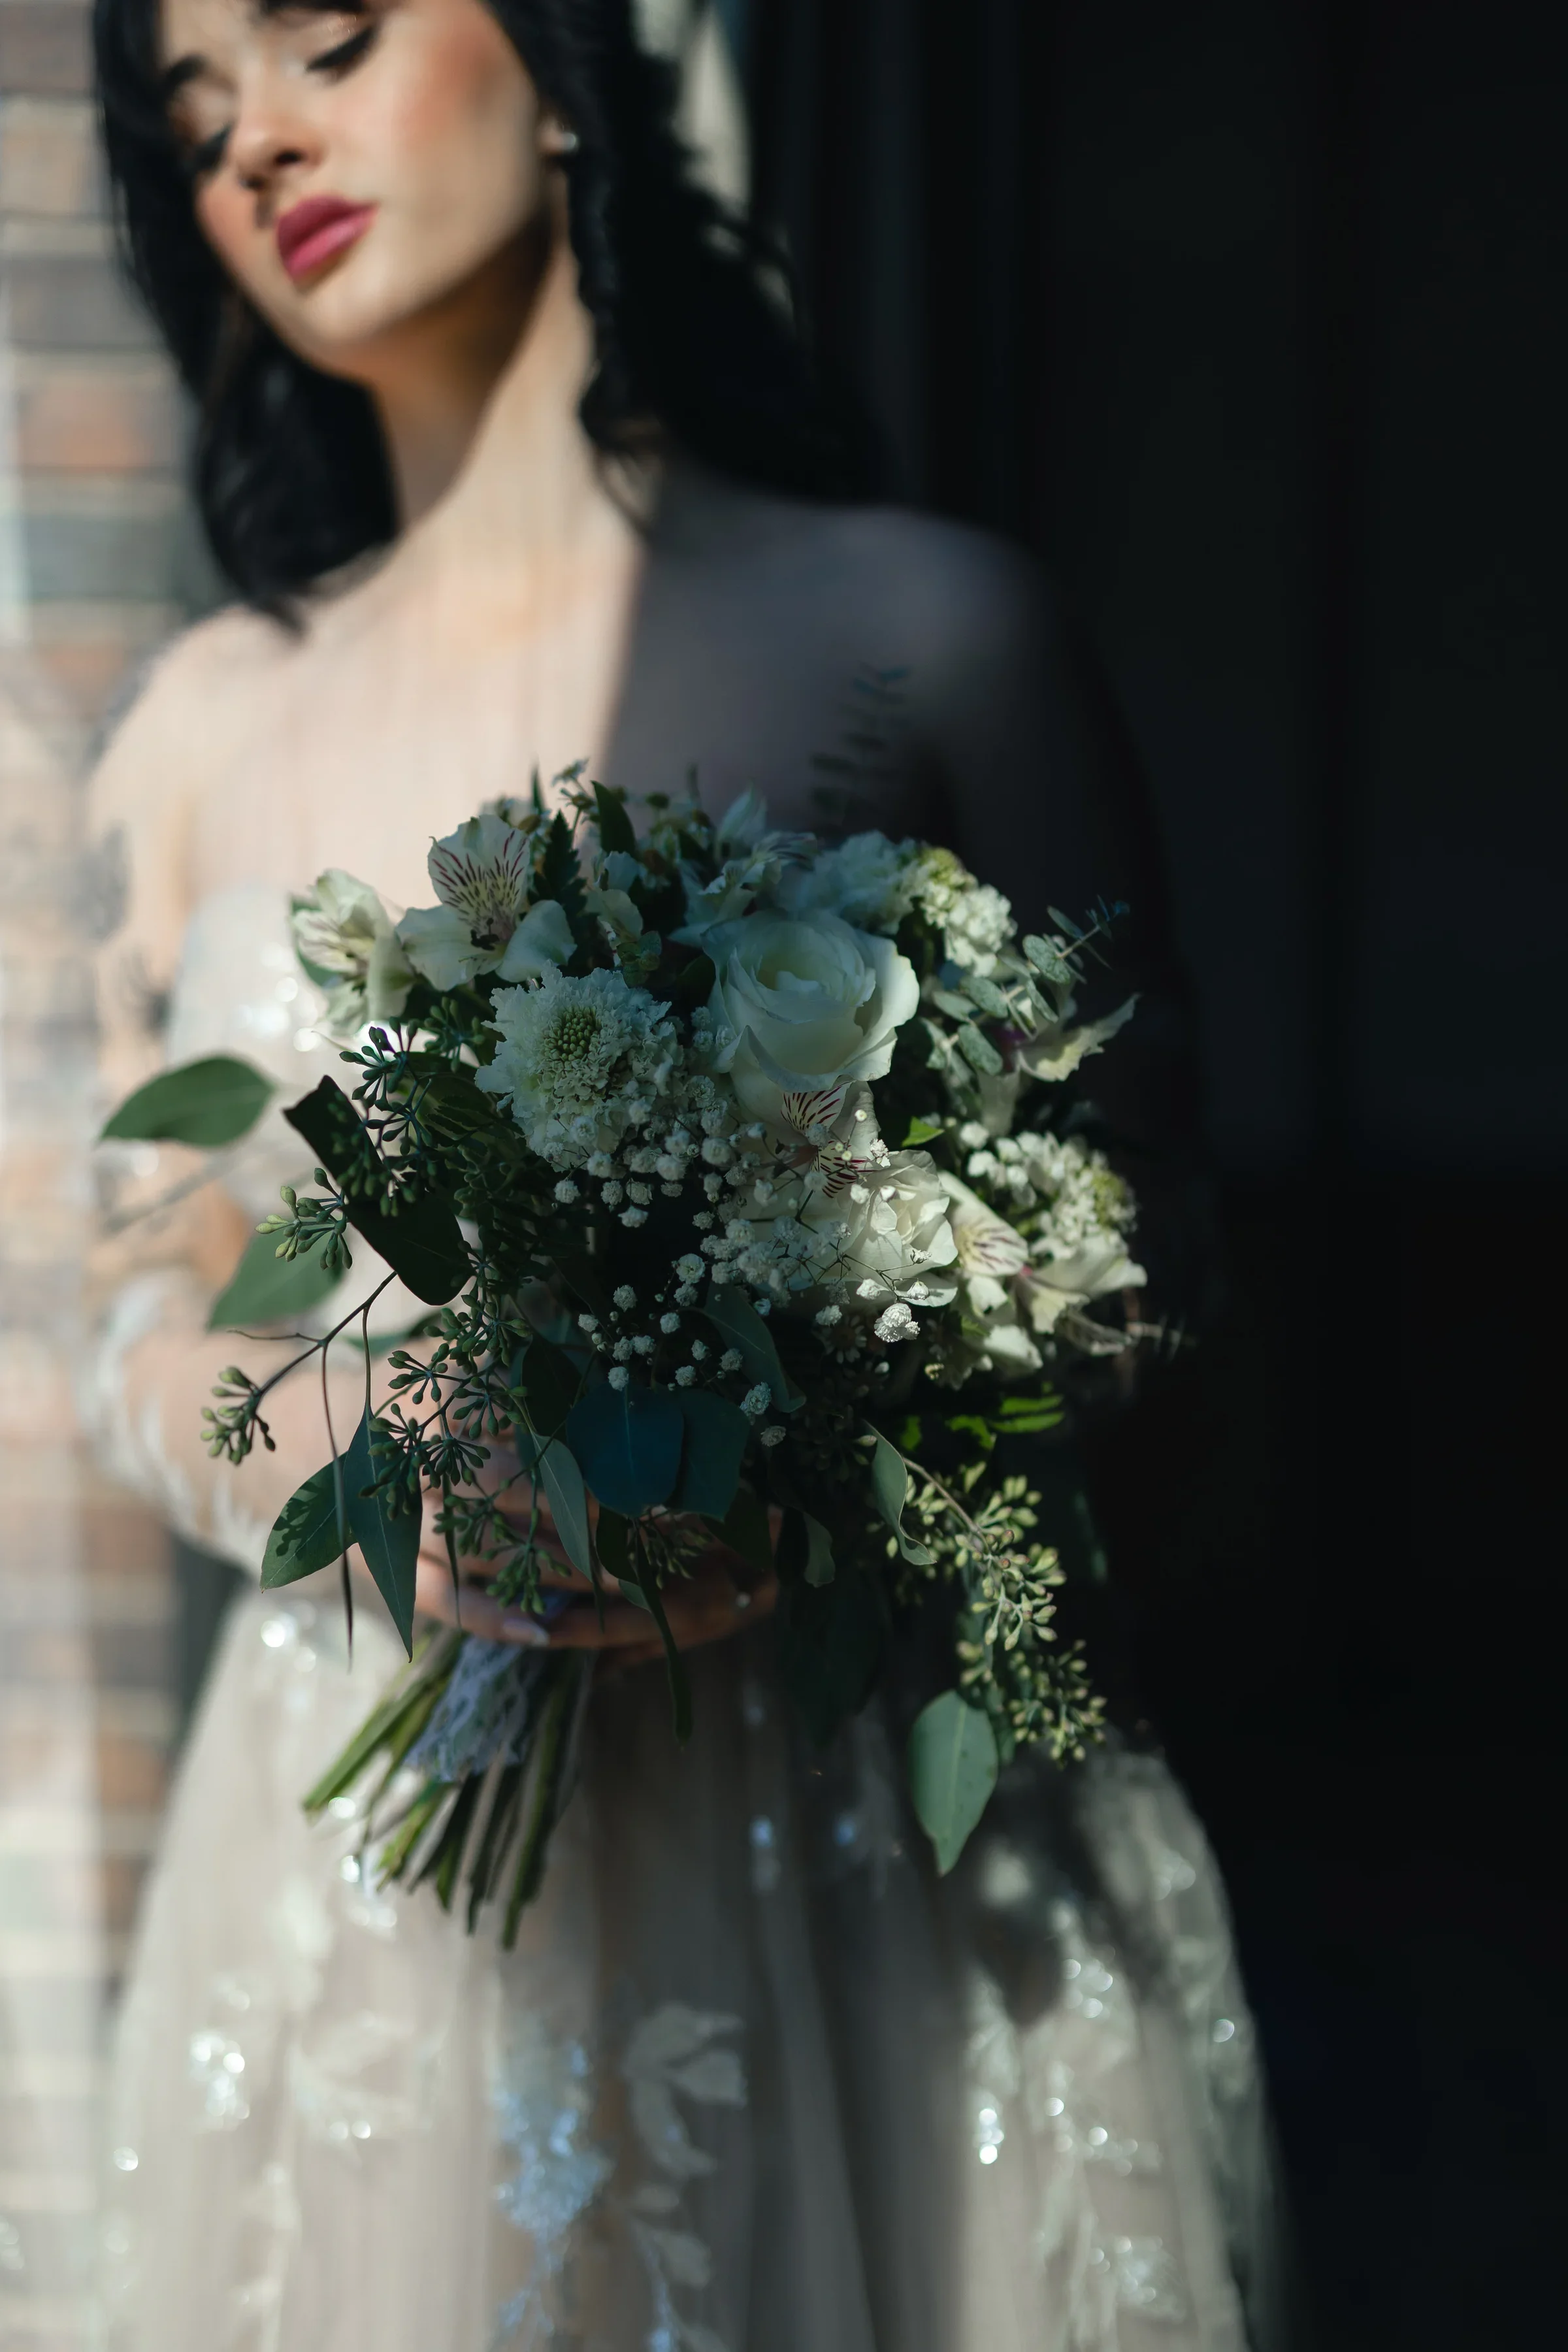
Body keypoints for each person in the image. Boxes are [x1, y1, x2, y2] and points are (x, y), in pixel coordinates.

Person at [84, 1, 1288, 2344]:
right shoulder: (199, 734)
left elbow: (1154, 1239)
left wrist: (808, 1455)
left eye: (321, 33)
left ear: (561, 61)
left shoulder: (925, 629)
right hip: (367, 1890)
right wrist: (379, 1459)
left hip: (867, 1854)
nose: (263, 146)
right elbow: (141, 1310)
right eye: (196, 117)